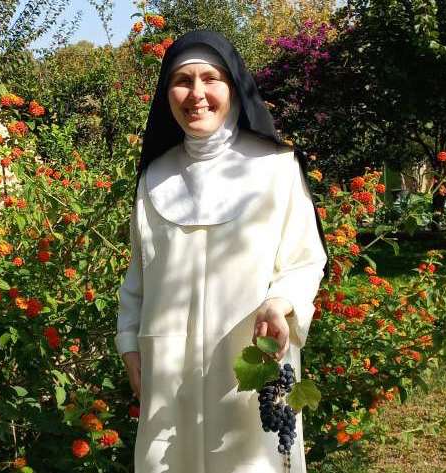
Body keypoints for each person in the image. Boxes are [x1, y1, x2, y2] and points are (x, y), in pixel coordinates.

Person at [114, 30, 328, 473]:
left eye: (210, 79)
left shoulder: (276, 167)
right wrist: (129, 344)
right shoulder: (155, 177)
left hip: (252, 363)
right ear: (166, 94)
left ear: (233, 87)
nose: (196, 94)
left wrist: (280, 301)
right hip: (168, 368)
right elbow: (139, 275)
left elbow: (306, 259)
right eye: (182, 81)